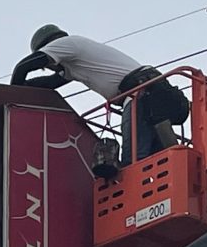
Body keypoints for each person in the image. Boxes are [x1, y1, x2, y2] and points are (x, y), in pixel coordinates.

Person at [11, 24, 189, 166]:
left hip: (139, 94)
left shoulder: (66, 45)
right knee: (159, 158)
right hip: (149, 90)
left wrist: (12, 95)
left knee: (133, 160)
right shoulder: (73, 64)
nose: (50, 67)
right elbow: (51, 83)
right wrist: (26, 86)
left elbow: (23, 67)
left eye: (47, 64)